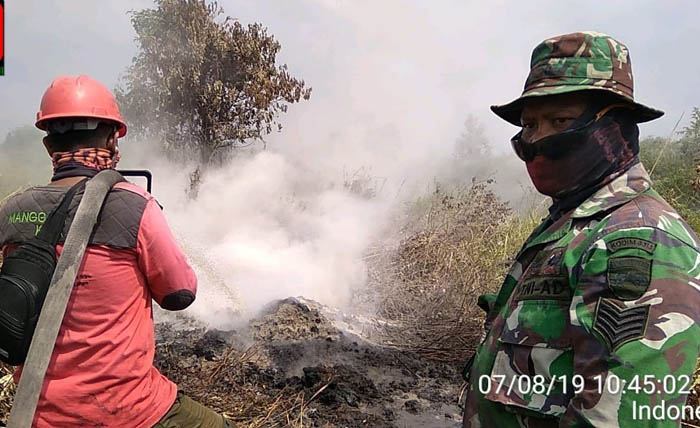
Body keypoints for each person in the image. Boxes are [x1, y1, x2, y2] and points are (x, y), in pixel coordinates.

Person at [462, 32, 700, 427]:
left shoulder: (639, 239)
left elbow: (620, 419)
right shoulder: (569, 226)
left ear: (614, 127)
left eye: (560, 121)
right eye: (529, 124)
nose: (536, 139)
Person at [0, 75, 232, 427]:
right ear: (111, 139)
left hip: (37, 413)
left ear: (49, 146)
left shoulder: (12, 210)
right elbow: (179, 294)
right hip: (128, 411)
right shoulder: (135, 205)